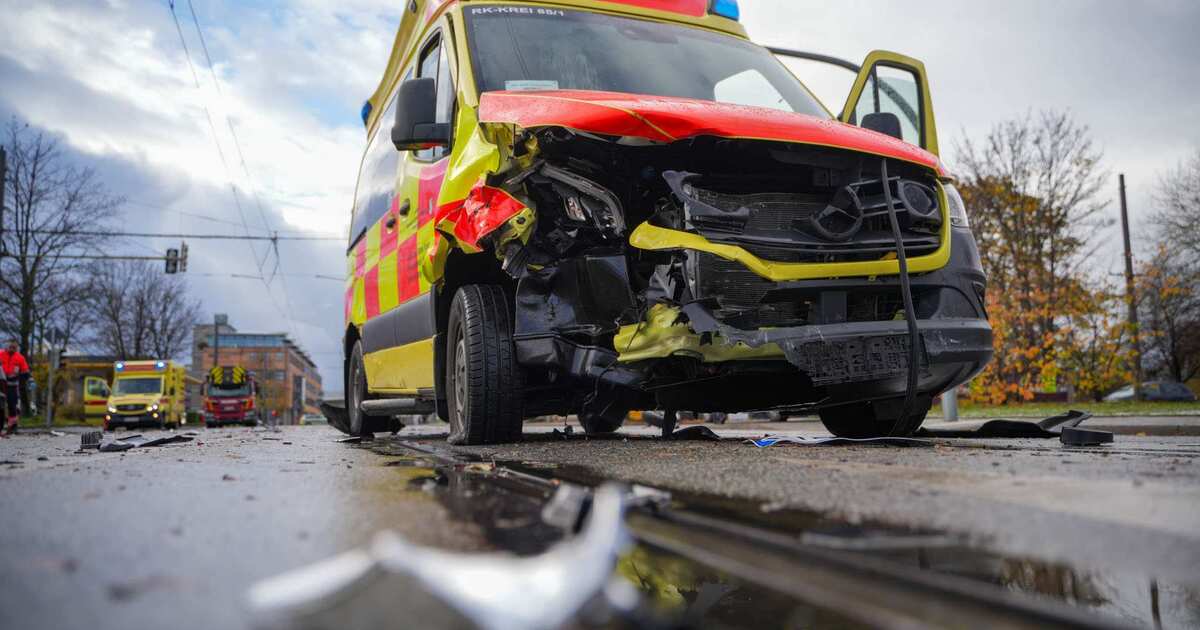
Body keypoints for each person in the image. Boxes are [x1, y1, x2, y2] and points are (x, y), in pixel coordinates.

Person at [0, 341, 30, 435]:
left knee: (12, 405)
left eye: (14, 348)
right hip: (1, 384)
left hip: (12, 385)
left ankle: (13, 426)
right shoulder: (1, 354)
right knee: (0, 406)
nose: (12, 349)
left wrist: (21, 380)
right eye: (10, 347)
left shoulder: (20, 358)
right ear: (7, 347)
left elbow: (25, 371)